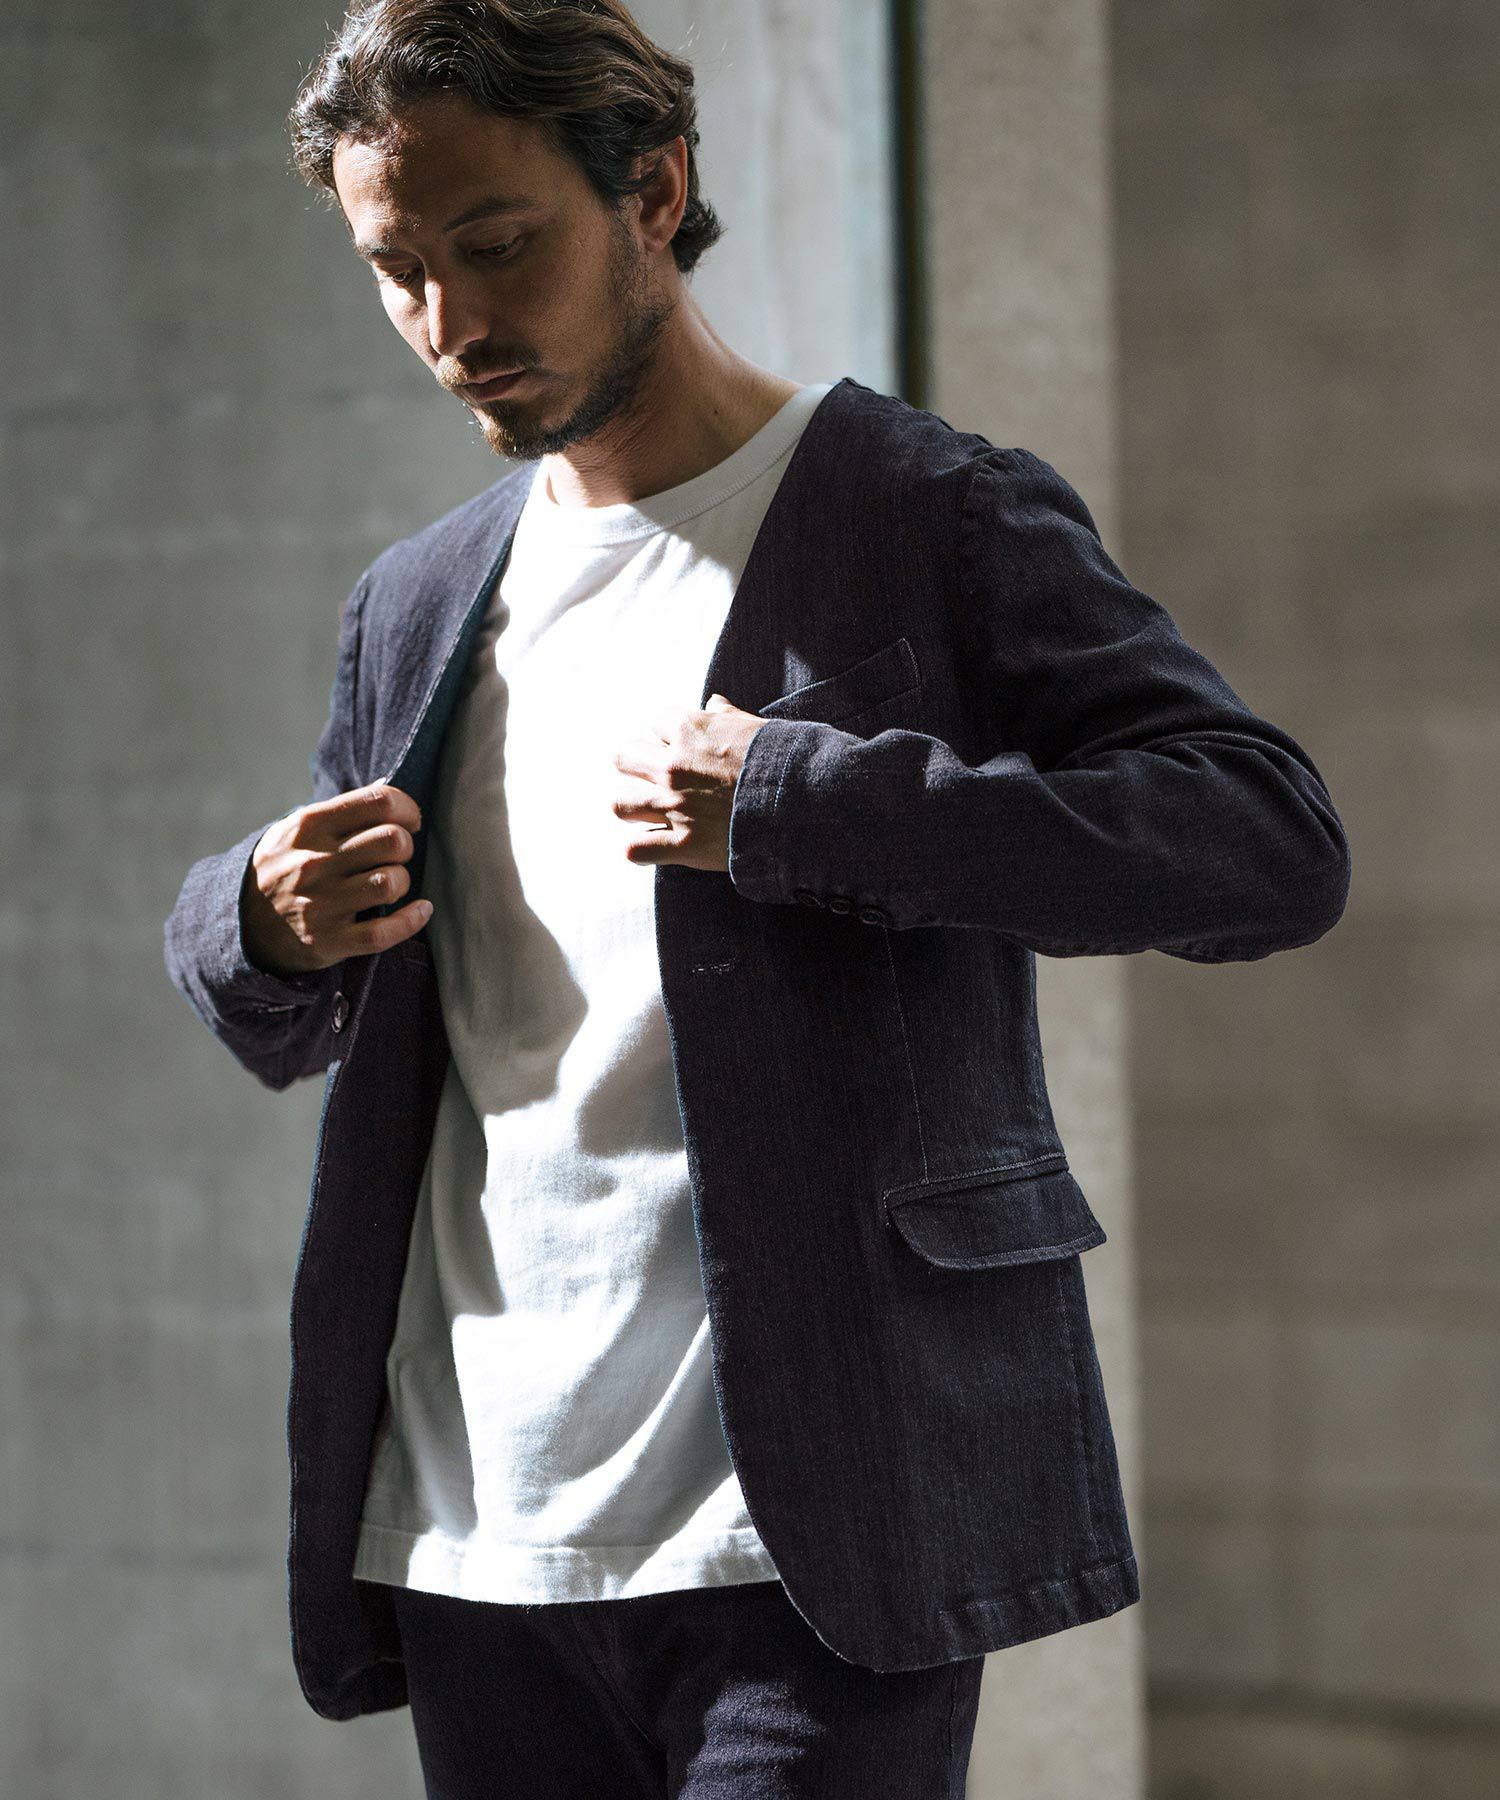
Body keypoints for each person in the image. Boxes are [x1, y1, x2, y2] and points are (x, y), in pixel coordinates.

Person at [162, 3, 1352, 1795]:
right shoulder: (418, 601)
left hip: (810, 1529)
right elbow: (313, 998)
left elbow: (1266, 843)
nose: (452, 321)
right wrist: (256, 921)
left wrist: (813, 803)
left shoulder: (926, 512)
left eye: (500, 243)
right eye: (398, 270)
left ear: (653, 190)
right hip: (480, 1526)